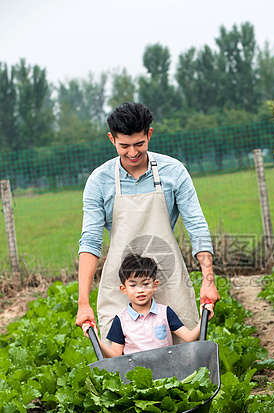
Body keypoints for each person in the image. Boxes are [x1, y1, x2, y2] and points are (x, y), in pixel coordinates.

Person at [75, 102, 219, 342]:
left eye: (139, 144)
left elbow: (197, 228)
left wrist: (208, 280)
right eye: (124, 146)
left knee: (186, 356)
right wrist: (83, 302)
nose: (132, 153)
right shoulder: (98, 181)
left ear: (149, 135)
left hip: (167, 276)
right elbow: (90, 242)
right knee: (123, 364)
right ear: (112, 139)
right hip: (122, 283)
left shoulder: (174, 172)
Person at [82, 253, 214, 358]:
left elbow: (190, 337)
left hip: (168, 371)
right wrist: (95, 339)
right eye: (133, 285)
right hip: (135, 376)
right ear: (124, 289)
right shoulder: (120, 320)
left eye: (145, 284)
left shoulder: (165, 313)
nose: (140, 290)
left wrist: (203, 319)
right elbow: (115, 355)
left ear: (155, 285)